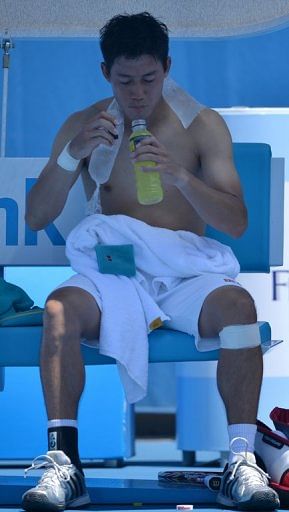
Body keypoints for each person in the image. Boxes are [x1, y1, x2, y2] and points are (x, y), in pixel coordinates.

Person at [22, 11, 279, 512]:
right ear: (105, 74)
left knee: (239, 309)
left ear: (167, 67)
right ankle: (64, 464)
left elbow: (237, 222)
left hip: (186, 272)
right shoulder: (83, 125)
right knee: (58, 309)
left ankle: (240, 461)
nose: (137, 92)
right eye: (124, 81)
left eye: (148, 79)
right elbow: (36, 216)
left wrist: (181, 177)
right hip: (115, 271)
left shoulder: (203, 125)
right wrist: (73, 156)